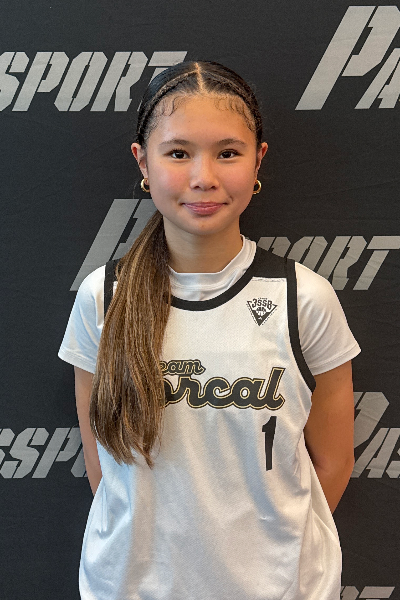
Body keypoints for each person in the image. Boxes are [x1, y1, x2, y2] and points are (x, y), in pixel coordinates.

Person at [58, 60, 360, 600]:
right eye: (178, 153)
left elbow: (334, 463)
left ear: (257, 159)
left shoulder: (304, 299)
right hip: (130, 587)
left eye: (227, 153)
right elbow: (102, 462)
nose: (204, 177)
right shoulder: (103, 297)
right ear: (143, 161)